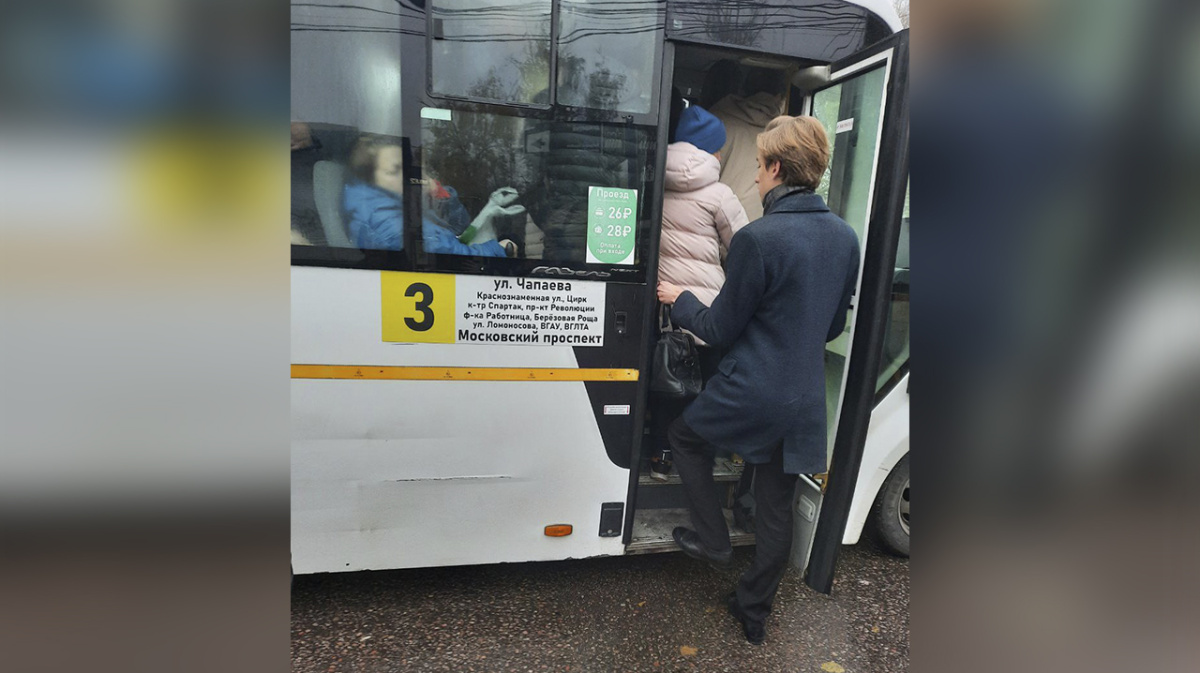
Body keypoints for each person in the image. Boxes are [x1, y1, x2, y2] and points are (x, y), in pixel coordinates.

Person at [656, 115, 859, 645]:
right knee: (775, 507)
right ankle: (754, 612)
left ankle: (713, 538)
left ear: (775, 167)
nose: (756, 176)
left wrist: (680, 300)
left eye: (759, 167)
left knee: (683, 437)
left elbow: (719, 326)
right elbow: (834, 324)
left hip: (752, 389)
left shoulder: (760, 238)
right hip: (803, 397)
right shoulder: (844, 237)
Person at [649, 105, 749, 481]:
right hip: (706, 309)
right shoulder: (720, 194)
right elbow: (744, 249)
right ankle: (697, 461)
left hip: (664, 307)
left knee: (667, 381)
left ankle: (660, 457)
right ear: (710, 151)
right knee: (704, 388)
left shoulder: (656, 181)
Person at [341, 135, 522, 256]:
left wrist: (440, 195)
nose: (407, 177)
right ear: (371, 178)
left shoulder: (397, 204)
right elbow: (452, 259)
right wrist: (499, 250)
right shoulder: (389, 222)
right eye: (395, 170)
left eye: (408, 168)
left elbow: (459, 229)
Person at [709, 67, 787, 222]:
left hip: (720, 224)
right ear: (780, 96)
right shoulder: (784, 132)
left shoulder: (715, 122)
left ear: (743, 90)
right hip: (763, 227)